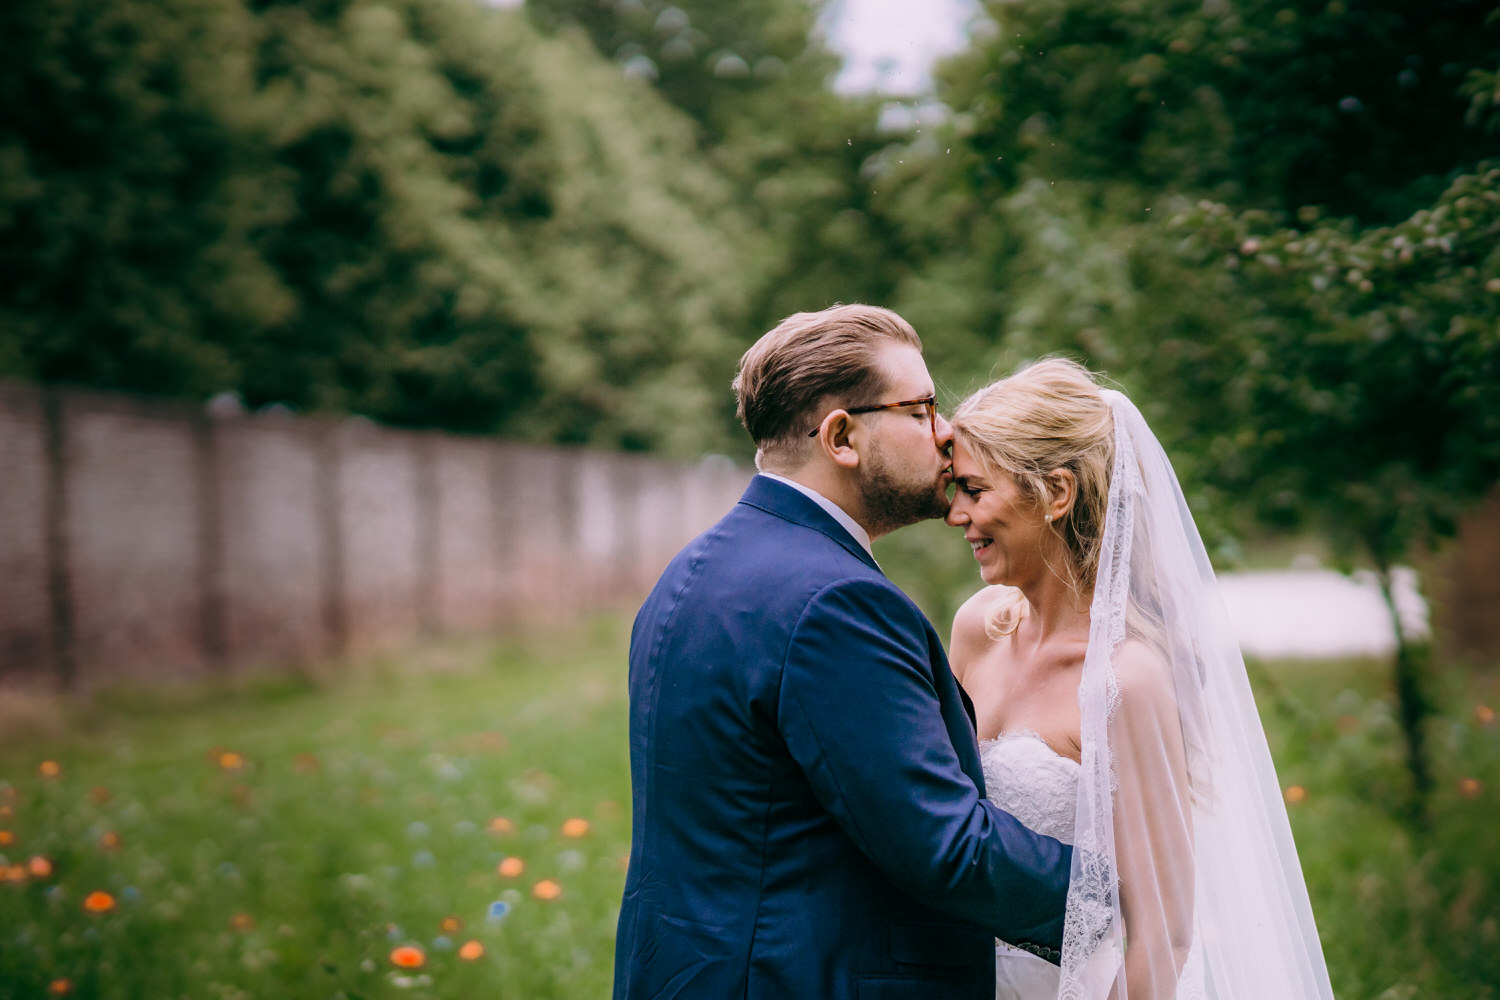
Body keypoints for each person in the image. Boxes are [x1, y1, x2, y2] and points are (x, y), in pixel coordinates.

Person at [613, 305, 1074, 1000]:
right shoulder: (836, 603)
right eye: (920, 409)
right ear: (841, 436)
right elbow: (942, 845)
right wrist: (1122, 892)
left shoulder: (690, 572)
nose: (945, 430)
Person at [944, 358, 1336, 1000]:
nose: (955, 512)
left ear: (1056, 494)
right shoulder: (977, 629)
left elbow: (1166, 931)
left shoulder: (1126, 679)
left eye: (975, 490)